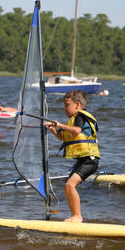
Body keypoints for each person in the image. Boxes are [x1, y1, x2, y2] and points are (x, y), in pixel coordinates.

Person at [45, 90, 100, 223]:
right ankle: (74, 216)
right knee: (67, 187)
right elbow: (61, 137)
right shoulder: (72, 121)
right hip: (82, 160)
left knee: (70, 185)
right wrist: (52, 129)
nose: (64, 108)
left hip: (90, 160)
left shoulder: (80, 117)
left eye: (66, 105)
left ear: (77, 105)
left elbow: (76, 131)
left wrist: (59, 124)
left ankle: (77, 216)